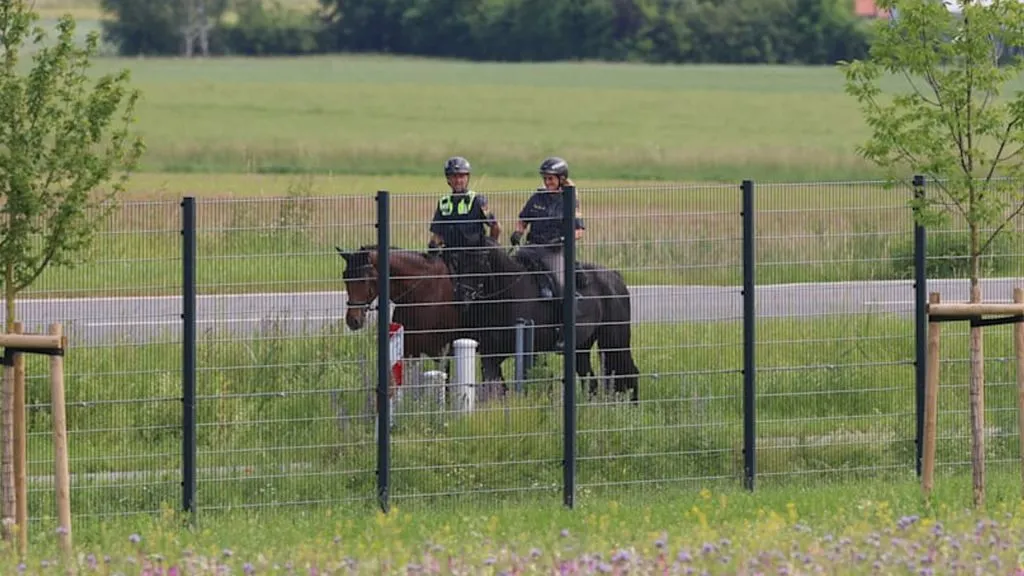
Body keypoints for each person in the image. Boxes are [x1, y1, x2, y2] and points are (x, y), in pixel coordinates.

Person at [509, 156, 585, 350]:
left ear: (561, 178)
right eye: (545, 178)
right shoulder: (537, 197)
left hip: (554, 251)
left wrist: (563, 239)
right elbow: (523, 220)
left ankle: (565, 331)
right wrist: (518, 232)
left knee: (562, 287)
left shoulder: (570, 198)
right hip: (531, 248)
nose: (547, 182)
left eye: (551, 179)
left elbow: (579, 231)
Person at [428, 156, 502, 302]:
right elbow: (437, 234)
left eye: (461, 176)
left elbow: (495, 227)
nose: (458, 180)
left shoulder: (478, 200)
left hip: (474, 256)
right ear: (448, 180)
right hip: (450, 256)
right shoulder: (444, 202)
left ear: (467, 178)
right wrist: (433, 246)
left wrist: (491, 246)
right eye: (454, 177)